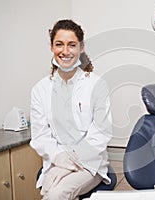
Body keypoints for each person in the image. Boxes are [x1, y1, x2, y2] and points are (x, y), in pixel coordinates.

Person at [30, 19, 113, 200]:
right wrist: (59, 159)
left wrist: (71, 161)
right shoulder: (40, 89)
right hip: (56, 160)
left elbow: (100, 133)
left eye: (72, 45)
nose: (65, 51)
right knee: (54, 192)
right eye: (59, 44)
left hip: (90, 161)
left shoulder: (97, 85)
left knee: (56, 194)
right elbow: (40, 135)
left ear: (81, 47)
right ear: (52, 47)